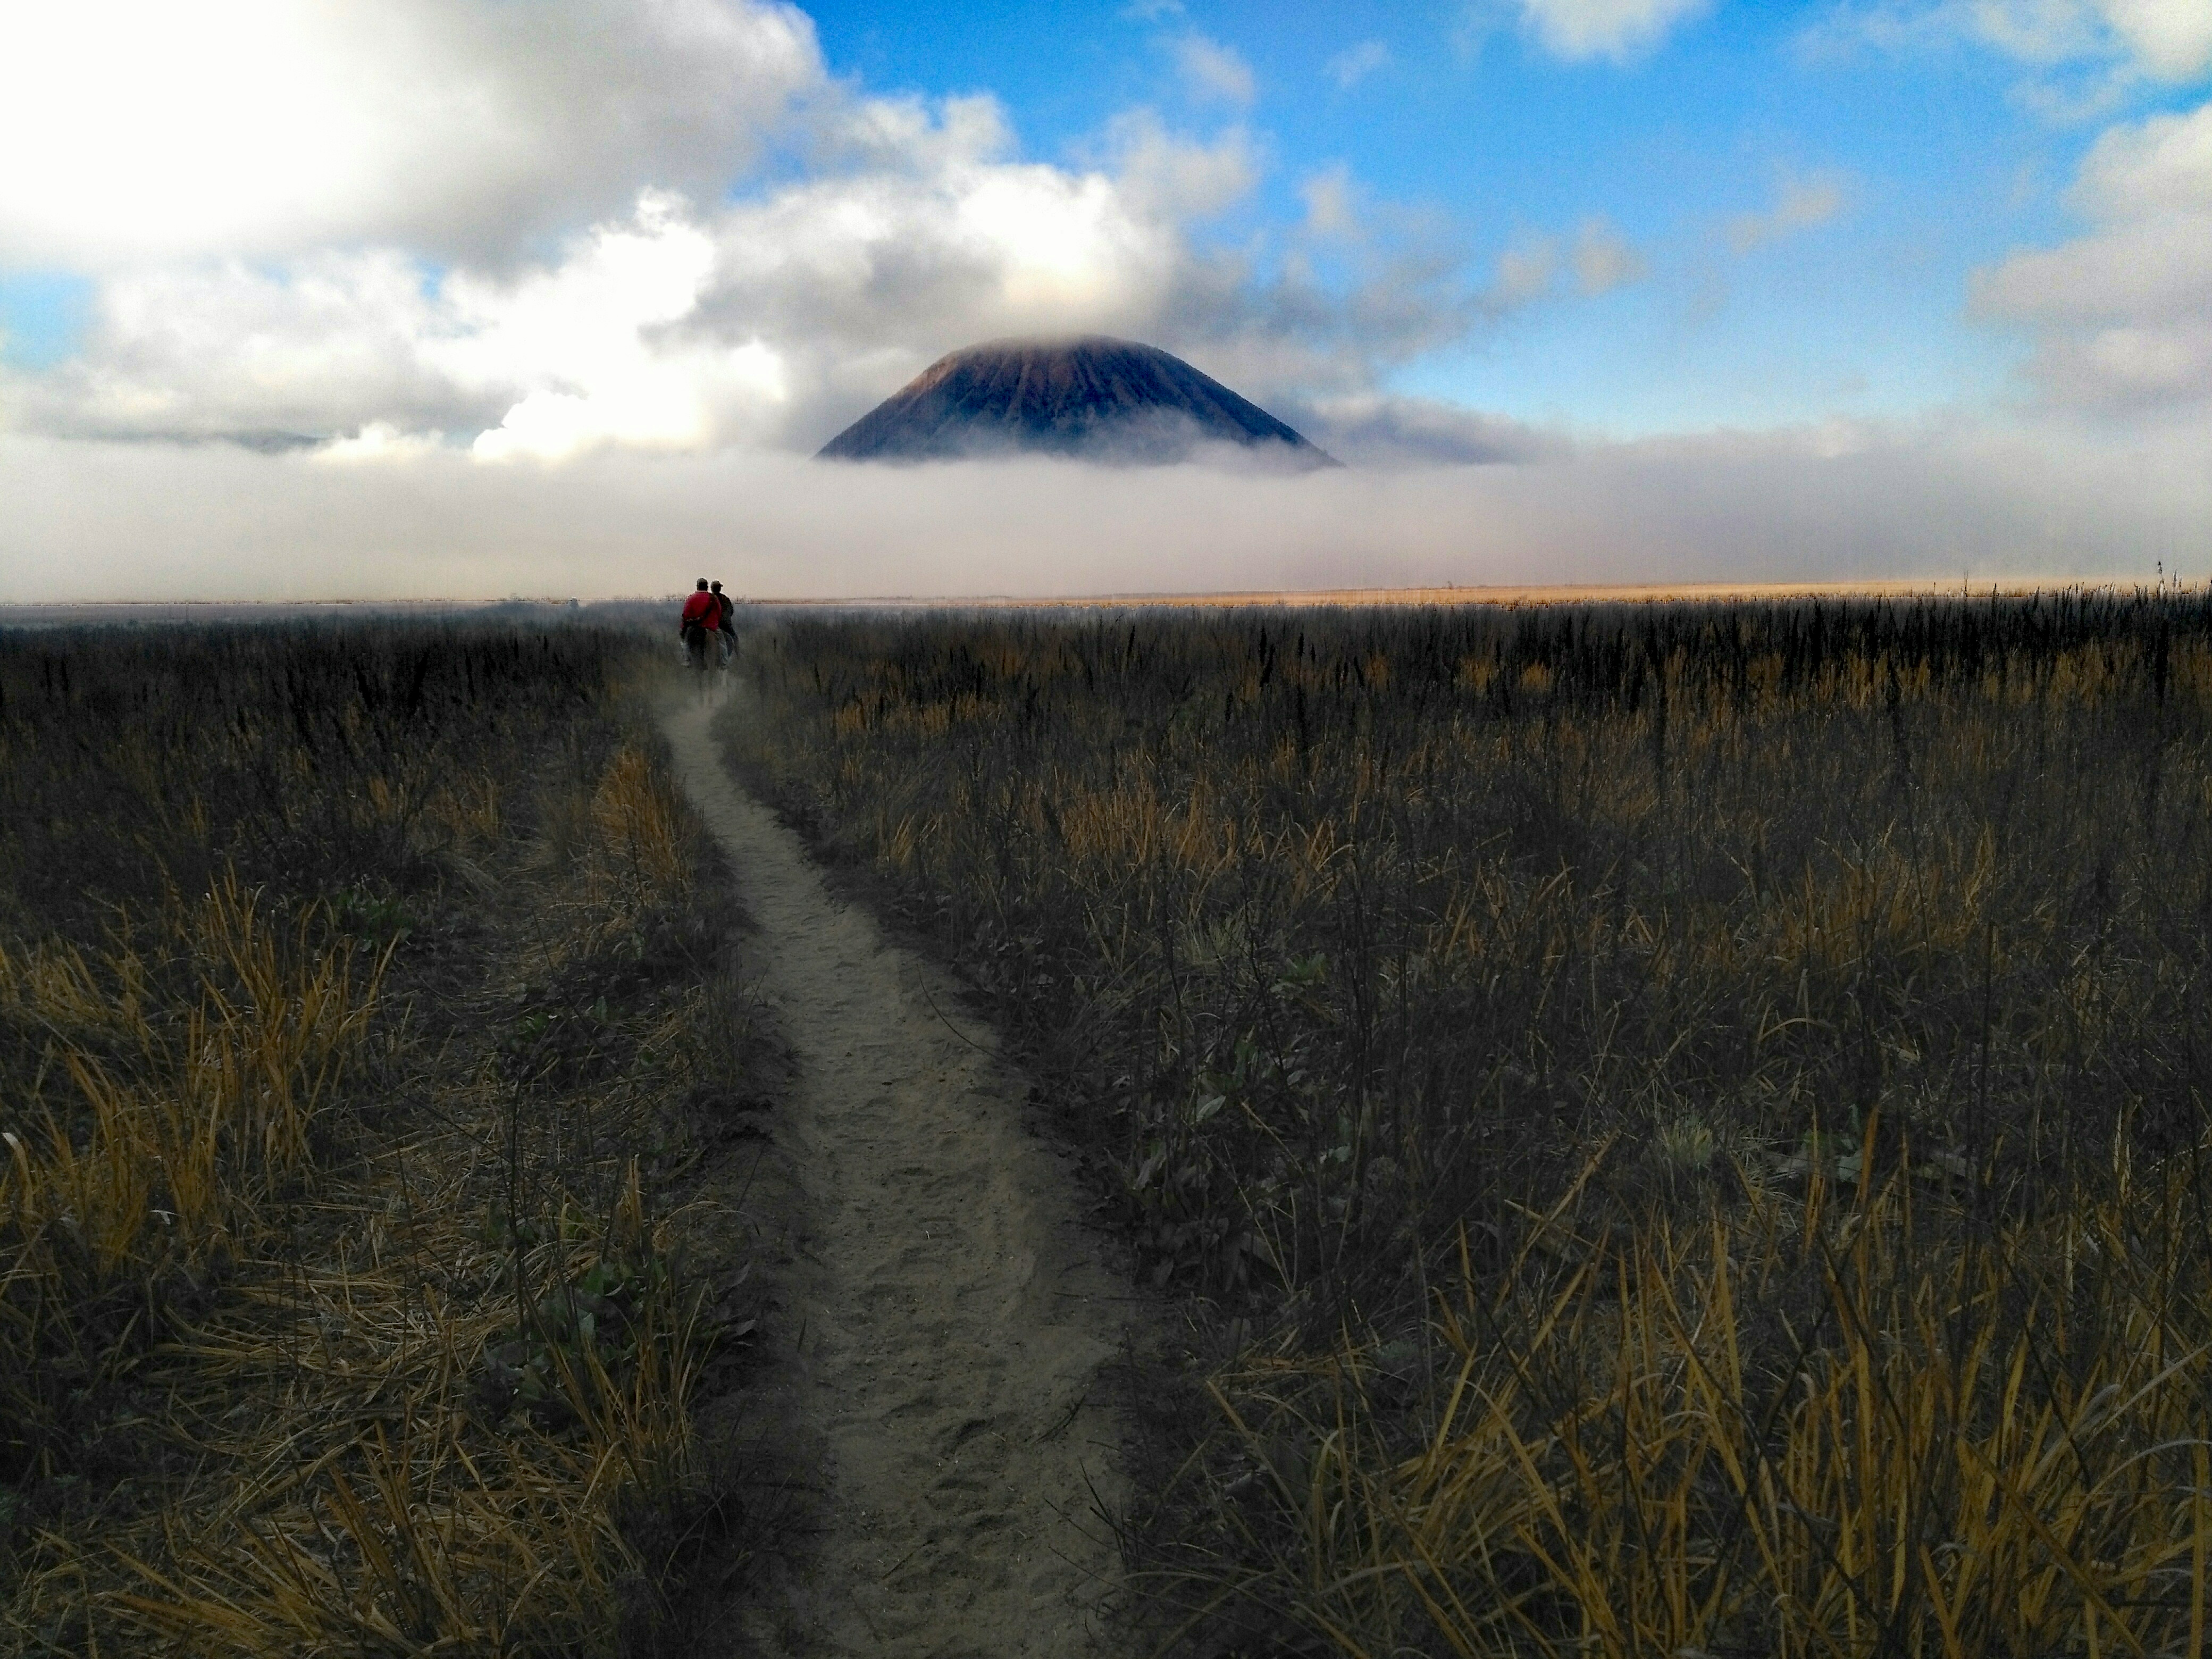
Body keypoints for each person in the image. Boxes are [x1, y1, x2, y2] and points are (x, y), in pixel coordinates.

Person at [679, 578, 719, 670]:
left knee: (685, 642)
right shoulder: (714, 598)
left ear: (697, 587)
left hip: (695, 628)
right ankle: (723, 661)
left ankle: (687, 659)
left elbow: (686, 615)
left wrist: (684, 627)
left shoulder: (691, 598)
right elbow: (719, 613)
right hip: (712, 628)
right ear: (707, 587)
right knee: (723, 643)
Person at [710, 580, 738, 665]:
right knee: (735, 637)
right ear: (720, 589)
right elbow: (732, 611)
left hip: (713, 624)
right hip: (726, 625)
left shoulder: (710, 598)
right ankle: (738, 655)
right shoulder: (725, 598)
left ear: (712, 589)